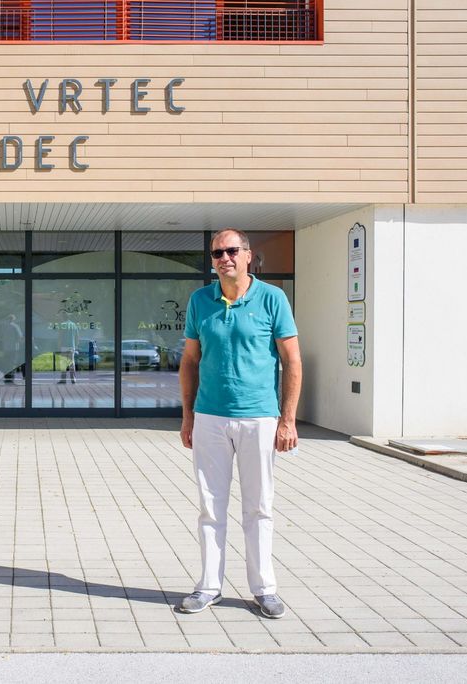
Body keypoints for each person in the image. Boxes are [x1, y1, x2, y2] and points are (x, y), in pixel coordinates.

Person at [177, 228, 301, 620]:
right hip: (210, 417)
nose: (224, 258)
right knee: (210, 508)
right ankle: (208, 587)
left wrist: (288, 420)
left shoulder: (272, 298)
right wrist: (188, 416)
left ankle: (264, 589)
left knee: (259, 507)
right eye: (217, 253)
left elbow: (292, 361)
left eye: (232, 251)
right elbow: (190, 361)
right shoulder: (200, 300)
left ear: (248, 255)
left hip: (259, 417)